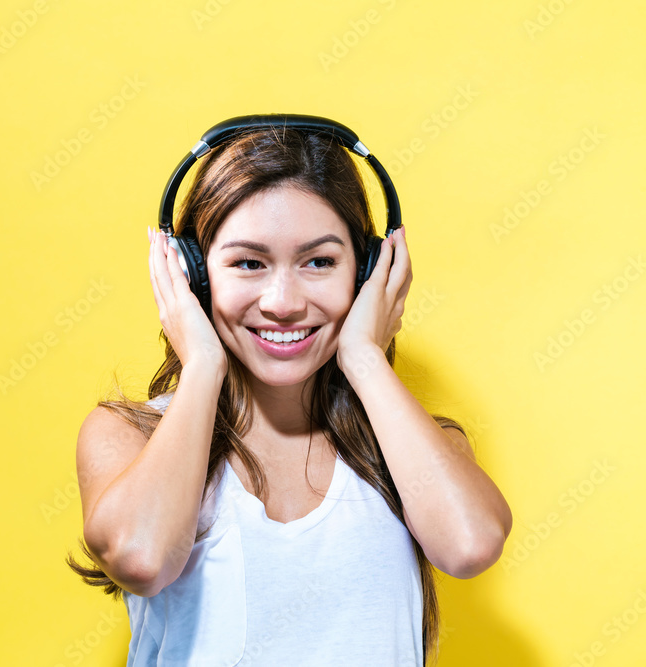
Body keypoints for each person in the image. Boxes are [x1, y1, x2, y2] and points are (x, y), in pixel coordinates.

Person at [66, 120, 512, 666]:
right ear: (190, 275)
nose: (283, 302)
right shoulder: (130, 436)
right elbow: (142, 558)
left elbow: (470, 546)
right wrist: (203, 363)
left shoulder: (410, 445)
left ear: (370, 274)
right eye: (248, 263)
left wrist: (366, 358)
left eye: (319, 262)